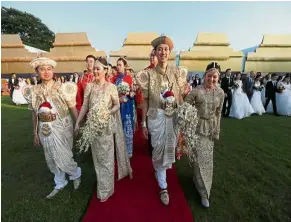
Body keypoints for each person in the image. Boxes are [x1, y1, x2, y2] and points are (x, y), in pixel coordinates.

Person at [136, 35, 189, 205]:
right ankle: (163, 186)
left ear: (170, 52)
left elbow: (181, 97)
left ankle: (160, 172)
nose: (163, 52)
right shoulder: (148, 74)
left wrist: (183, 113)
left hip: (172, 118)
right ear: (155, 53)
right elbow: (144, 100)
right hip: (155, 117)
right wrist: (143, 123)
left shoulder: (178, 72)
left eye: (166, 49)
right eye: (160, 49)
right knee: (158, 150)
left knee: (169, 148)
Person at [22, 57, 81, 199]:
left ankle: (75, 173)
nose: (46, 72)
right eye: (42, 69)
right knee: (51, 155)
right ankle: (60, 182)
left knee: (64, 154)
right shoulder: (34, 91)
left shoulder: (62, 87)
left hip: (62, 125)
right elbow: (34, 113)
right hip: (45, 128)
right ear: (37, 72)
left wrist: (78, 123)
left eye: (49, 69)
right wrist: (35, 132)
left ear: (53, 71)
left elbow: (72, 107)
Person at [75, 57, 132, 202]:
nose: (95, 71)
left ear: (105, 70)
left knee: (106, 158)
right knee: (97, 158)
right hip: (93, 127)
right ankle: (102, 185)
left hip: (106, 127)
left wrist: (106, 112)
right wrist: (78, 121)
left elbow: (116, 105)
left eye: (98, 68)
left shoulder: (111, 87)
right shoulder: (89, 86)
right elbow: (85, 106)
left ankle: (106, 190)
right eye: (94, 68)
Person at [184, 62, 224, 208]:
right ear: (204, 76)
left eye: (215, 77)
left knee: (207, 159)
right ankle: (203, 192)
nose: (212, 79)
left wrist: (217, 129)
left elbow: (219, 113)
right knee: (199, 158)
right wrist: (188, 120)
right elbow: (186, 107)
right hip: (197, 128)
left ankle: (203, 185)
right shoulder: (196, 91)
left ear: (218, 78)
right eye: (209, 76)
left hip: (211, 129)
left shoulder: (221, 92)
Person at [111, 57, 135, 158]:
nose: (118, 67)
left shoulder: (129, 78)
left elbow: (133, 92)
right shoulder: (114, 79)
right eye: (117, 65)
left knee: (127, 127)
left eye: (120, 65)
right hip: (117, 106)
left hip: (127, 106)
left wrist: (130, 94)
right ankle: (118, 151)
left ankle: (128, 151)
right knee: (117, 128)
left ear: (125, 66)